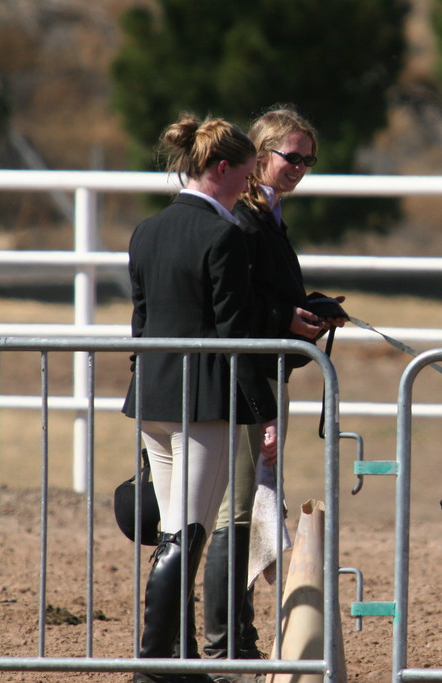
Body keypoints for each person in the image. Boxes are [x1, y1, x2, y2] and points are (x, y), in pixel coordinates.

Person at [122, 113, 278, 683]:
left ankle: (170, 662)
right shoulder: (223, 234)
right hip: (202, 404)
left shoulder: (147, 230)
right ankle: (153, 665)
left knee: (173, 534)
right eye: (244, 174)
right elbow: (235, 334)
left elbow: (141, 322)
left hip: (154, 400)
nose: (248, 186)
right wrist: (266, 415)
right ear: (219, 169)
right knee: (187, 535)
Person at [201, 104, 346, 673]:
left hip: (265, 372)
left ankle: (237, 633)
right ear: (260, 155)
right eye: (293, 156)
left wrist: (308, 309)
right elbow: (233, 303)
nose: (301, 167)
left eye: (309, 160)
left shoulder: (269, 215)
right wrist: (287, 317)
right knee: (237, 511)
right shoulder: (245, 219)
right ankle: (224, 644)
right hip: (247, 378)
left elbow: (263, 294)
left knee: (252, 504)